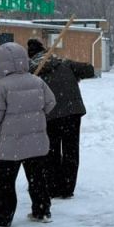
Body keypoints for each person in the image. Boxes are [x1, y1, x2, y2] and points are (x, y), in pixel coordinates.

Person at [0, 42, 56, 227]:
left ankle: (2, 217)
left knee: (6, 182)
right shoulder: (37, 81)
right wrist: (35, 115)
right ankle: (42, 211)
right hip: (36, 143)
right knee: (37, 179)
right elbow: (50, 103)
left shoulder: (0, 86)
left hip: (10, 146)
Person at [27, 38, 96, 199]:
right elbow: (90, 70)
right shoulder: (63, 62)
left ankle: (53, 187)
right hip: (73, 112)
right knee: (71, 151)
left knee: (51, 152)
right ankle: (67, 187)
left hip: (50, 115)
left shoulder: (32, 71)